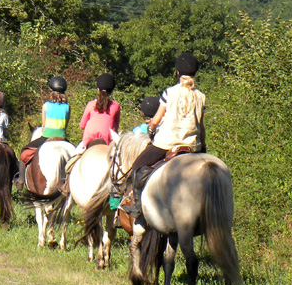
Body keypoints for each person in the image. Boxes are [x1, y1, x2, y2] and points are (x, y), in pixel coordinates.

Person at [129, 52, 206, 221]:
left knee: (136, 167)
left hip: (166, 143)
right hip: (192, 146)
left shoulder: (169, 93)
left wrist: (150, 131)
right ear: (195, 73)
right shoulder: (201, 97)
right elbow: (201, 126)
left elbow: (155, 121)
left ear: (177, 73)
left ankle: (137, 207)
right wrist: (202, 146)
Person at [13, 75, 70, 188]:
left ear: (51, 91)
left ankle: (20, 181)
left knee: (24, 153)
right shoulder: (67, 107)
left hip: (46, 137)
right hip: (63, 138)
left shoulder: (46, 106)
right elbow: (66, 125)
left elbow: (43, 126)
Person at [78, 74, 121, 148]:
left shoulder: (90, 104)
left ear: (98, 89)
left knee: (75, 156)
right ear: (112, 90)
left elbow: (82, 125)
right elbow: (116, 127)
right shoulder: (116, 106)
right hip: (108, 140)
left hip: (89, 139)